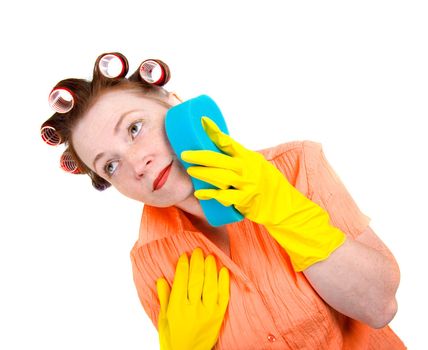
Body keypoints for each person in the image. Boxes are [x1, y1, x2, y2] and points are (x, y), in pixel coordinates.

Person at [41, 52, 406, 349]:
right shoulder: (150, 261)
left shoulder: (296, 167)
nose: (137, 164)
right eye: (111, 164)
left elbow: (379, 308)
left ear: (176, 105)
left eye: (135, 128)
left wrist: (287, 210)